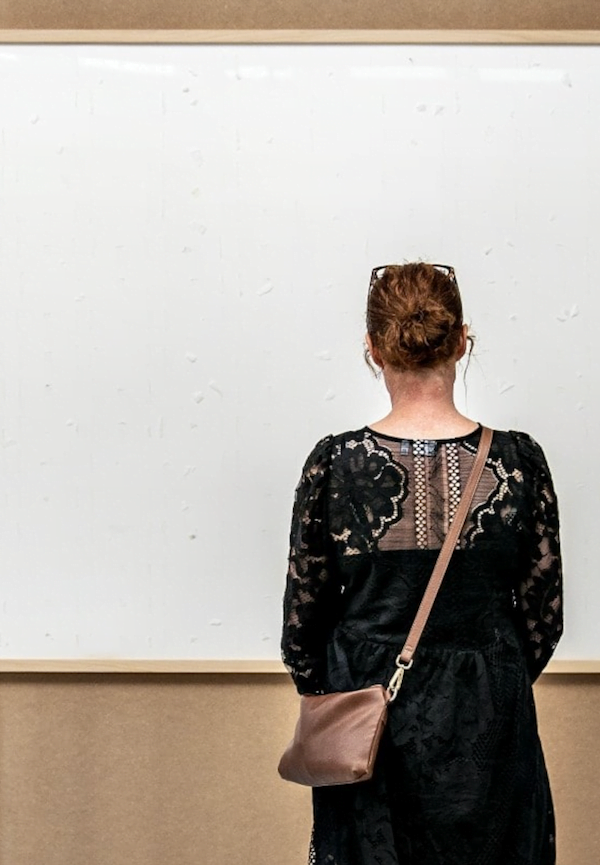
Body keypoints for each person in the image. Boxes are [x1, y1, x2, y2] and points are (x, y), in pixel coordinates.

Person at [280, 262, 563, 865]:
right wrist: (487, 678)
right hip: (491, 722)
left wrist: (348, 701)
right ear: (461, 341)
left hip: (369, 726)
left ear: (373, 348)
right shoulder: (519, 462)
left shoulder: (335, 463)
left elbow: (301, 632)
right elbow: (544, 619)